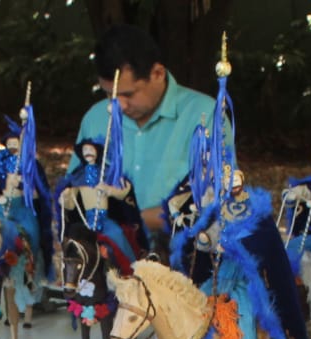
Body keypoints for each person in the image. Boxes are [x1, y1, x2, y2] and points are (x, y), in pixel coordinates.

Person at [73, 25, 216, 247]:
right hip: (107, 262)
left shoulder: (204, 115)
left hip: (181, 263)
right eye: (109, 94)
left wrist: (129, 221)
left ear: (157, 73)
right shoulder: (95, 118)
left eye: (127, 94)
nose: (117, 106)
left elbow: (216, 201)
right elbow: (75, 193)